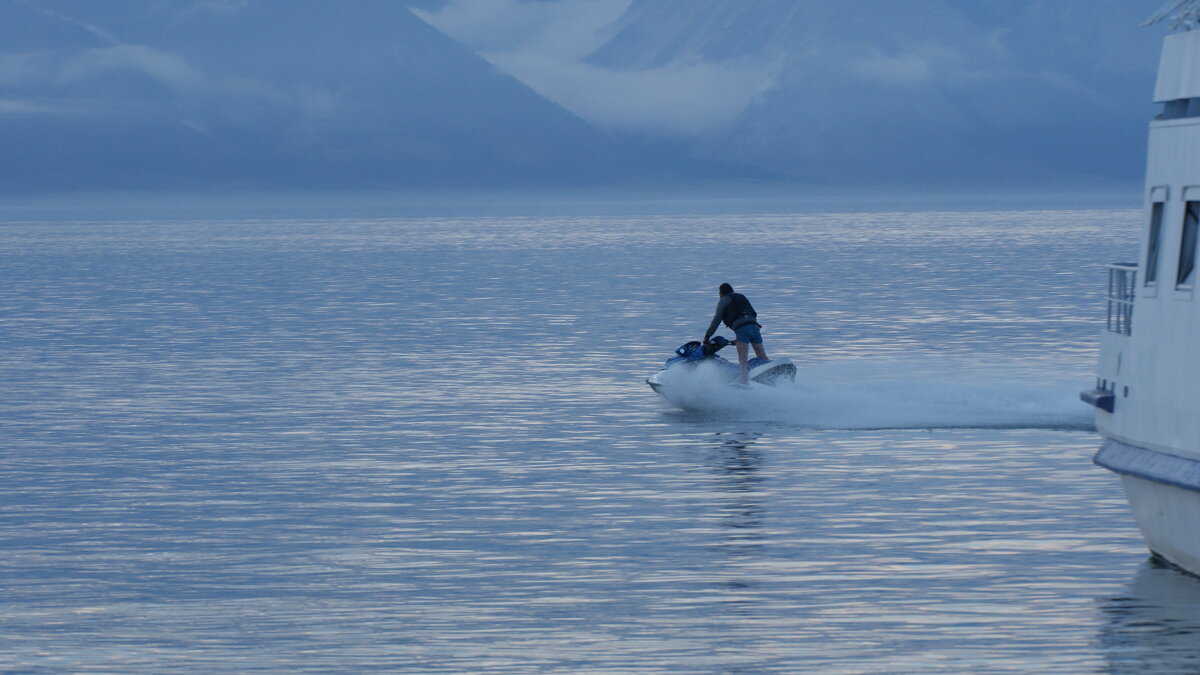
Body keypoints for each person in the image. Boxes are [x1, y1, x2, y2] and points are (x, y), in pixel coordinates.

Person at [703, 283, 768, 384]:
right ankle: (770, 376)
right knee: (762, 357)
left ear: (721, 293)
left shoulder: (724, 300)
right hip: (755, 327)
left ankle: (743, 383)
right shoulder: (741, 296)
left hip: (742, 329)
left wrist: (707, 336)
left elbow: (716, 320)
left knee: (743, 360)